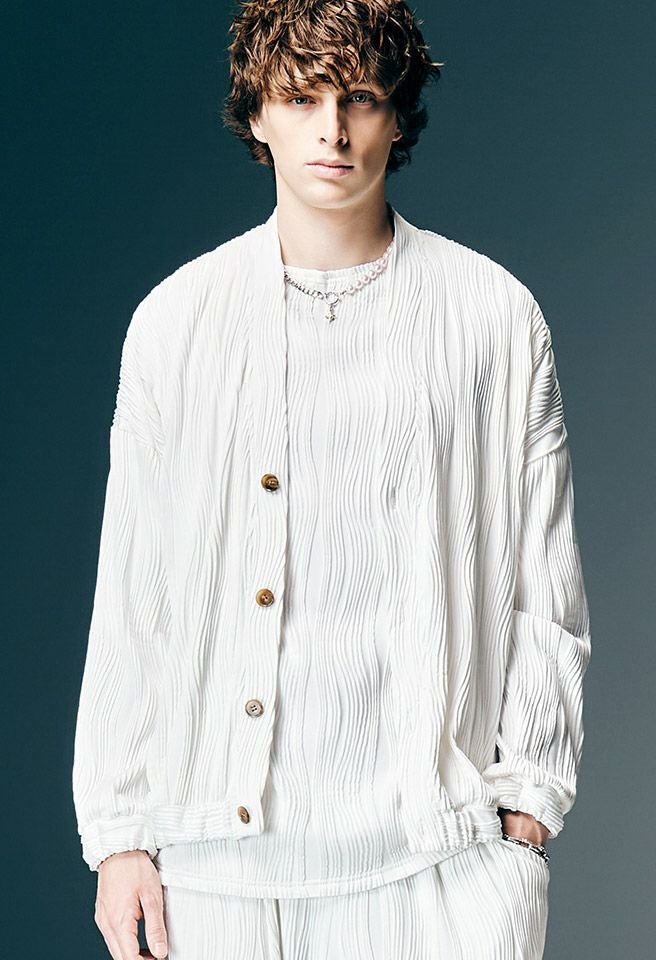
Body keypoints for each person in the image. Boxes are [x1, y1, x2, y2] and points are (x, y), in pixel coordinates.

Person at [71, 1, 593, 957]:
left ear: (398, 114)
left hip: (437, 861)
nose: (333, 130)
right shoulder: (176, 324)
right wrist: (119, 834)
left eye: (360, 98)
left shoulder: (493, 317)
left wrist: (528, 804)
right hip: (216, 875)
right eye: (302, 98)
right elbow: (134, 590)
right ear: (256, 115)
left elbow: (544, 585)